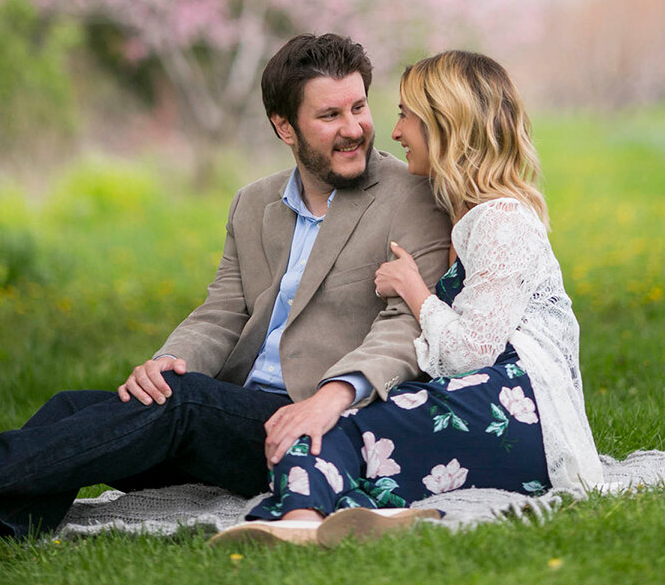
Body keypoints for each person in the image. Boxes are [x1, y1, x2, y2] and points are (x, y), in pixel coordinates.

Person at [0, 34, 451, 554]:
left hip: (319, 426)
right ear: (284, 127)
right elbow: (222, 310)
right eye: (329, 115)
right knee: (73, 408)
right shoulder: (253, 202)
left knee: (182, 403)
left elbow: (407, 326)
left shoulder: (412, 198)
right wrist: (168, 361)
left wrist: (327, 400)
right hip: (232, 412)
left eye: (359, 107)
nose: (353, 128)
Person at [215, 50, 603, 547]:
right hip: (485, 404)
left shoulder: (503, 220)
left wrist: (414, 289)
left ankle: (301, 521)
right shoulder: (461, 213)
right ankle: (335, 518)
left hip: (522, 412)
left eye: (405, 116)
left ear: (445, 126)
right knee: (331, 425)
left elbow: (469, 355)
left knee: (331, 426)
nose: (394, 132)